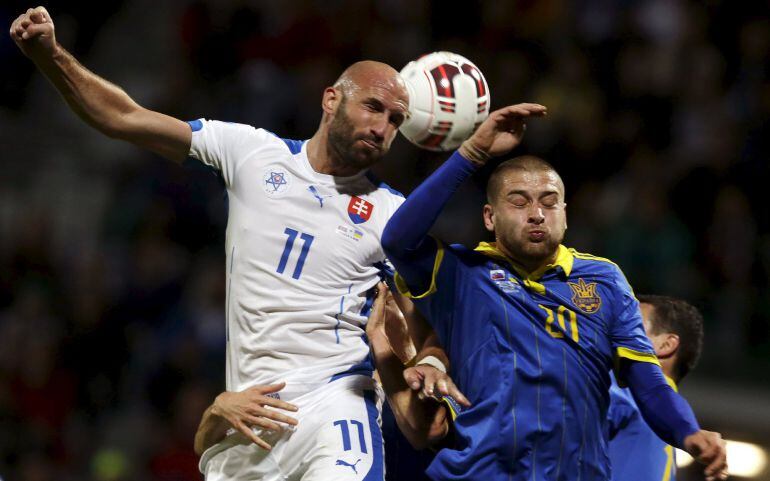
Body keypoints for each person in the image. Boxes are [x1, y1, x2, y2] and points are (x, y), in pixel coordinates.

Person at [10, 7, 466, 481]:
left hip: (335, 403)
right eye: (373, 107)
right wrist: (49, 55)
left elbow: (421, 324)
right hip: (247, 417)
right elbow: (122, 116)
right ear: (331, 99)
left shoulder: (394, 213)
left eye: (396, 120)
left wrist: (430, 357)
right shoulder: (250, 151)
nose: (382, 128)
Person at [380, 103, 728, 481]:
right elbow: (398, 240)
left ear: (564, 212)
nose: (536, 213)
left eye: (548, 201)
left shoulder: (604, 280)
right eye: (518, 201)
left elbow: (648, 381)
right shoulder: (460, 273)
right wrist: (472, 153)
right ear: (489, 217)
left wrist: (689, 433)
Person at [608, 295, 708, 481]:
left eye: (633, 325)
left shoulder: (626, 392)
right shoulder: (672, 427)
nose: (617, 329)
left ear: (666, 345)